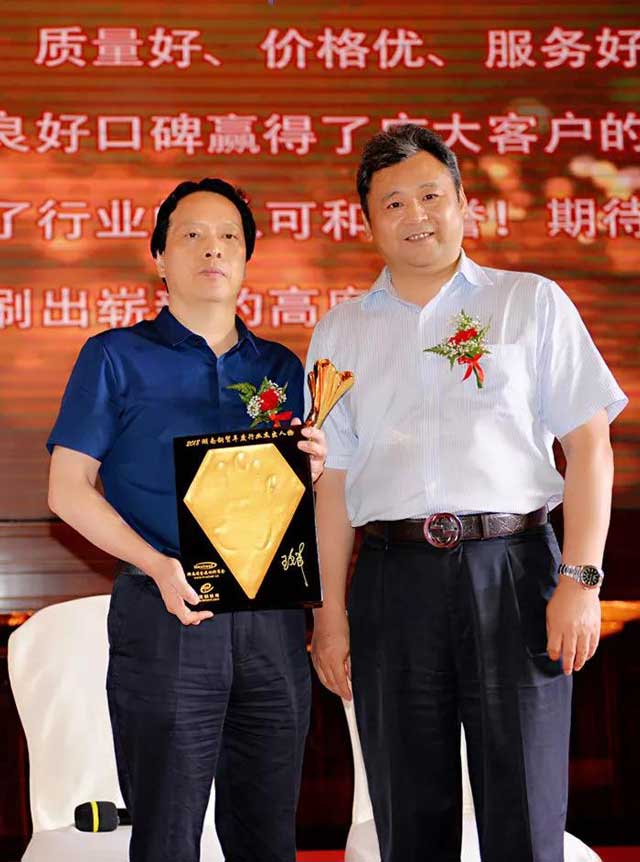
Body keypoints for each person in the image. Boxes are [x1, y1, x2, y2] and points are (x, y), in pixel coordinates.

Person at [307, 125, 627, 862]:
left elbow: (588, 445)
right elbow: (333, 485)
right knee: (408, 816)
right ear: (367, 221)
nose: (415, 214)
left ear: (461, 203)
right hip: (391, 580)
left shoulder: (529, 302)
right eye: (393, 202)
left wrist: (581, 580)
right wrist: (328, 616)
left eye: (430, 195)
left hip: (514, 569)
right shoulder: (340, 331)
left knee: (525, 812)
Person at [47, 177, 327, 862]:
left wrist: (310, 475)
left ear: (247, 259)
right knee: (167, 836)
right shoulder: (115, 356)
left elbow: (284, 504)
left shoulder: (281, 366)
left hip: (271, 622)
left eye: (229, 236)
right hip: (166, 612)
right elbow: (67, 490)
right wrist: (156, 564)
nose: (213, 249)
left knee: (268, 839)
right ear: (160, 257)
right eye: (192, 235)